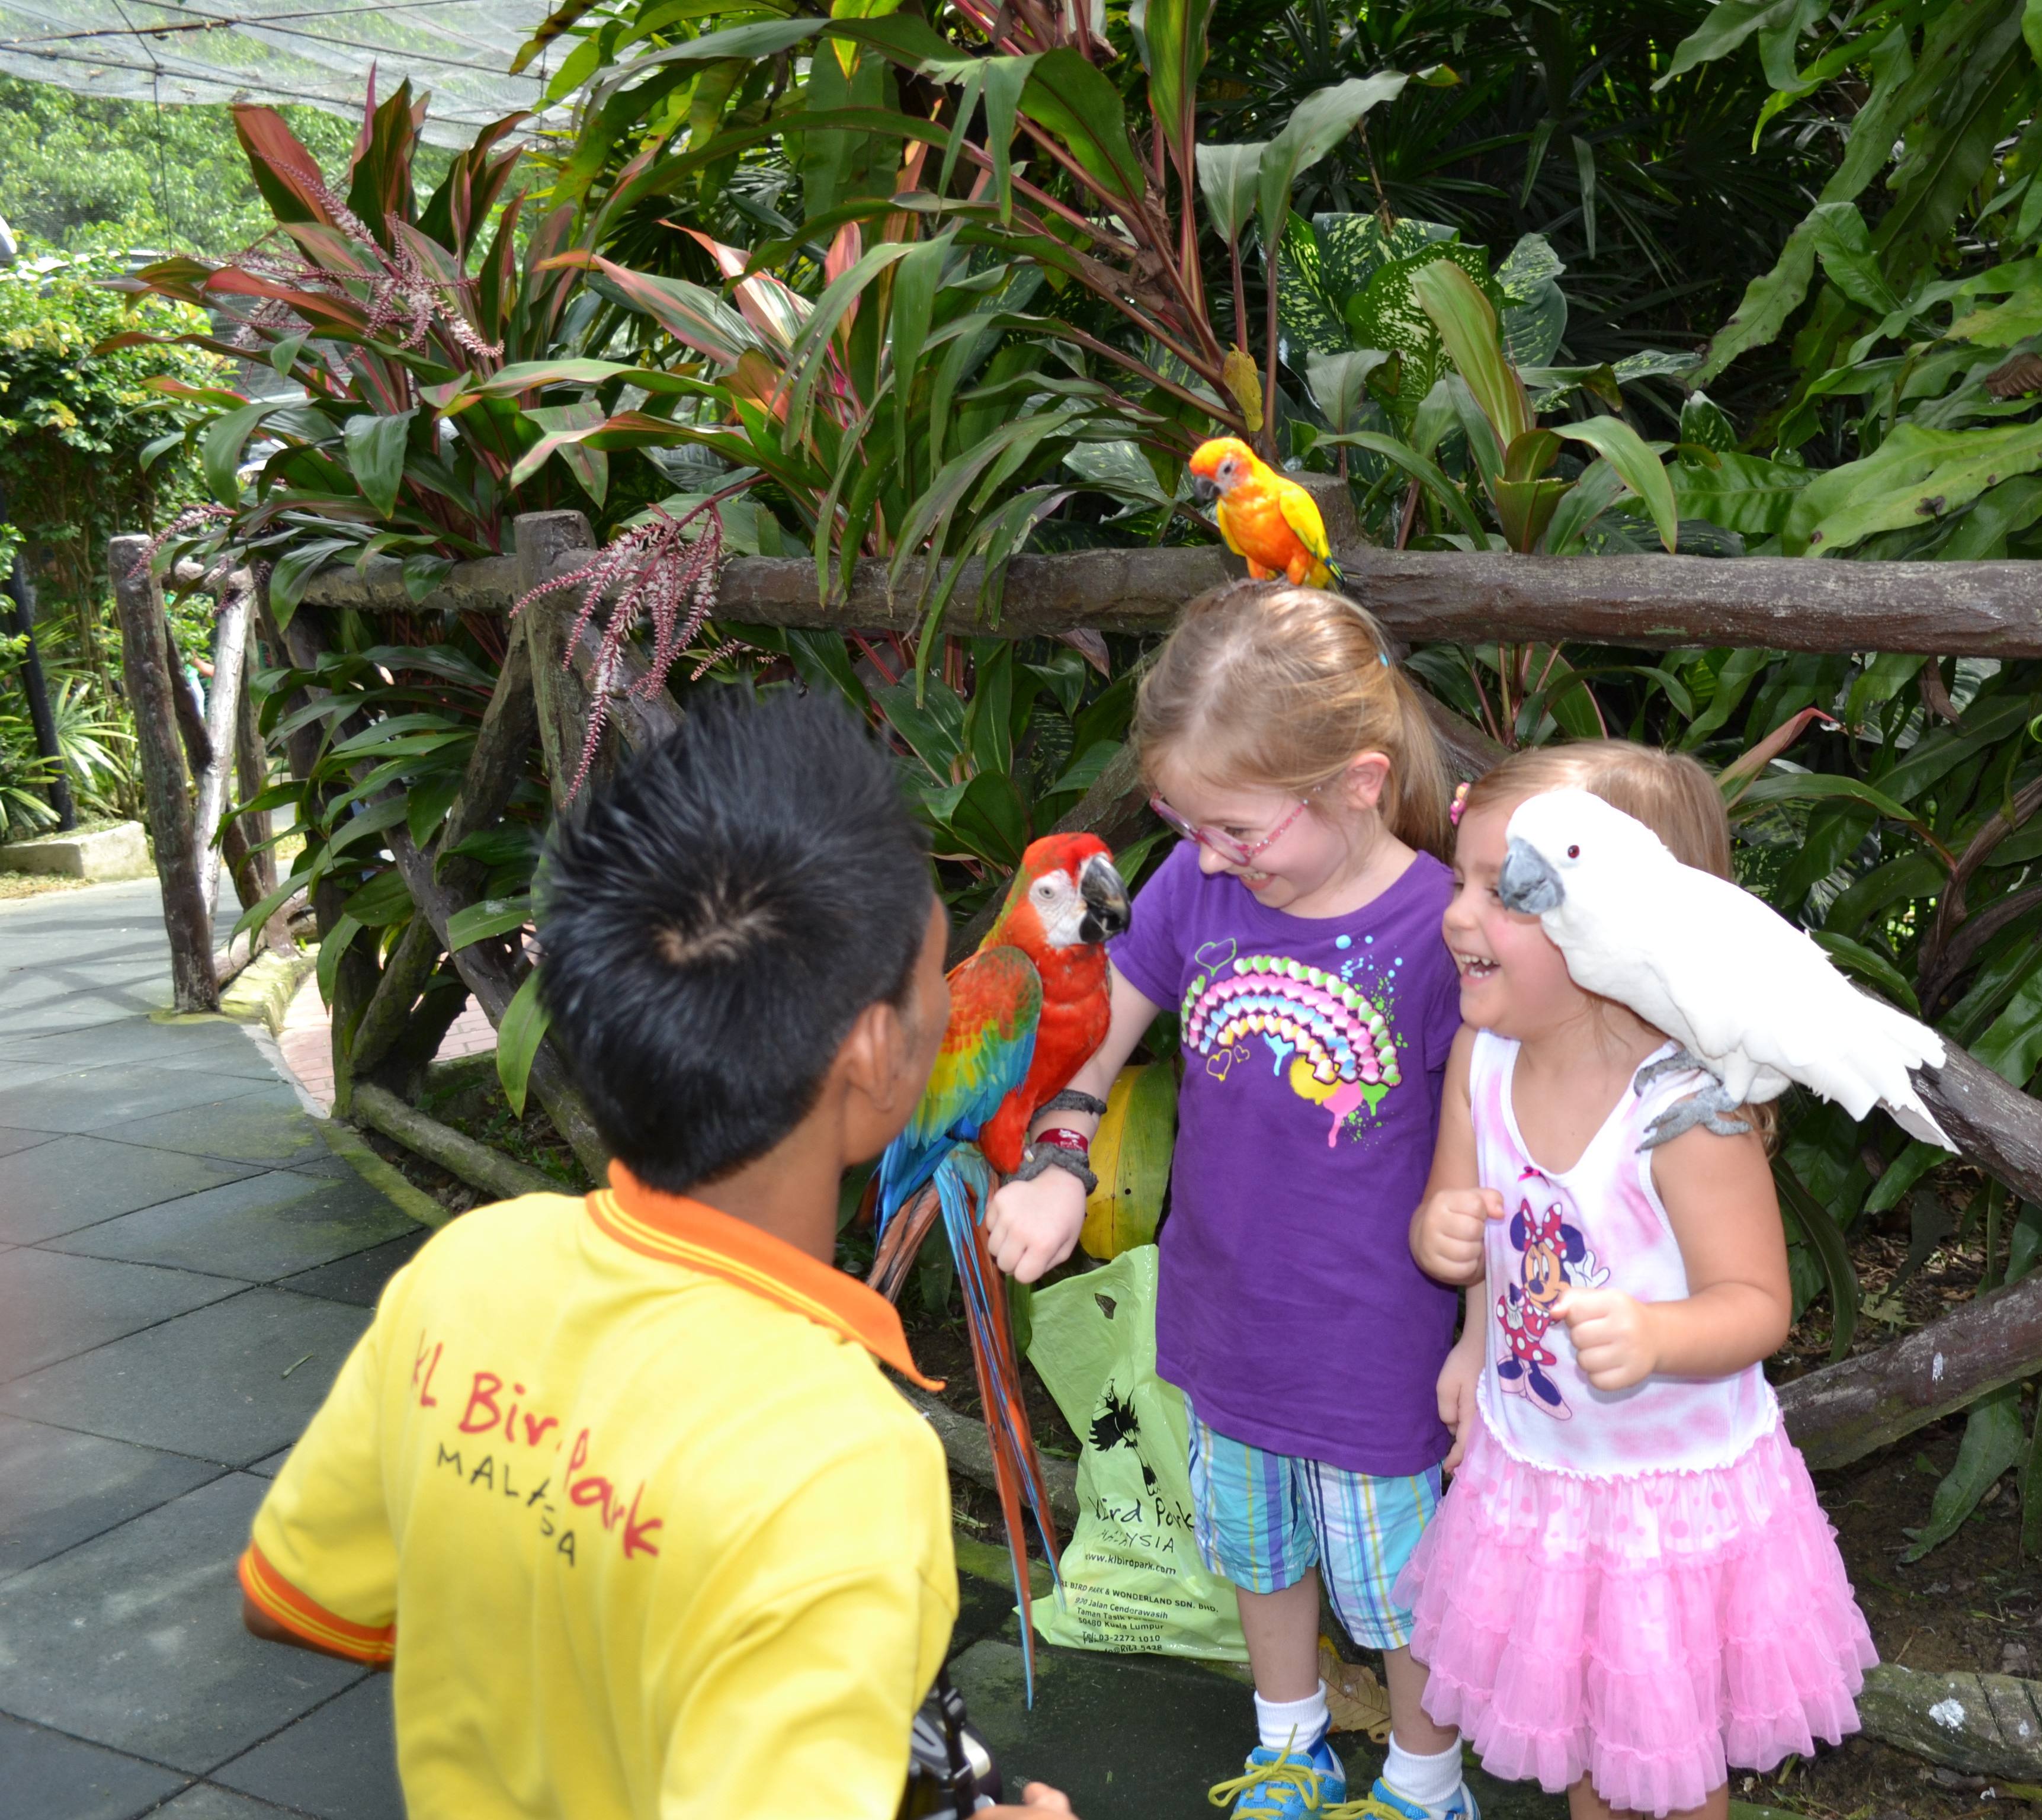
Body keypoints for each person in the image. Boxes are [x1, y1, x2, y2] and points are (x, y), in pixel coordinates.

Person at [236, 693, 1072, 1820]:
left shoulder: (463, 1272)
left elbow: (295, 1598)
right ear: (877, 1059)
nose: (954, 994)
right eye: (938, 970)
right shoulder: (847, 1464)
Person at [986, 581, 1477, 1820]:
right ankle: (1288, 1744)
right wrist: (1057, 1162)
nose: (1205, 854)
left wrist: (1479, 1338)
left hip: (1377, 1341)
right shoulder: (1196, 892)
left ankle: (1424, 1785)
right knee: (1257, 1556)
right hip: (1222, 1319)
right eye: (1180, 819)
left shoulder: (1440, 933)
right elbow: (1089, 1063)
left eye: (1237, 829)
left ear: (1357, 783)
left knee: (1400, 1592)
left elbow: (1495, 1156)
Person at [1405, 741, 1877, 1820]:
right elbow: (1463, 1219)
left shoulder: (1685, 1113)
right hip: (1540, 1481)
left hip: (1667, 1511)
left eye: (1507, 892)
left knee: (1665, 1770)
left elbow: (1759, 1306)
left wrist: (1657, 1337)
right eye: (1464, 878)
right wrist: (1464, 1310)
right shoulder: (1485, 1060)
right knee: (1580, 1744)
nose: (1461, 915)